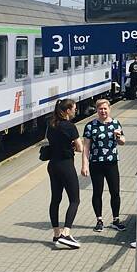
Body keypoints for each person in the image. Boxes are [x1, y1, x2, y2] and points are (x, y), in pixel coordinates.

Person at [81, 98, 127, 232]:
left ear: (109, 109)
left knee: (115, 192)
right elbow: (86, 147)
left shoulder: (116, 124)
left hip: (111, 163)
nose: (103, 111)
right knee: (97, 192)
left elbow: (123, 142)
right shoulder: (90, 126)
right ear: (97, 110)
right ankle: (99, 220)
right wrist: (84, 165)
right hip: (96, 163)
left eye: (105, 108)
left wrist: (118, 137)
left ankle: (116, 220)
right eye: (100, 109)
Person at [46, 98, 82, 248]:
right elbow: (80, 147)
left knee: (56, 199)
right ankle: (66, 233)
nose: (75, 111)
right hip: (66, 165)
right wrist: (72, 145)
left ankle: (56, 234)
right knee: (74, 200)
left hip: (52, 165)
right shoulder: (70, 126)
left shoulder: (51, 124)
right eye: (74, 108)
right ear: (67, 111)